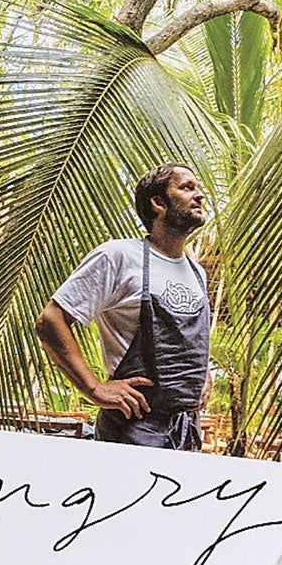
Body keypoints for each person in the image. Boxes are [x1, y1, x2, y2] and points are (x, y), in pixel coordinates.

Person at [36, 162, 211, 450]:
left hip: (186, 432)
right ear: (158, 203)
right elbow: (50, 320)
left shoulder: (196, 272)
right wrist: (95, 389)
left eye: (197, 188)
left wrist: (203, 375)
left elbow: (190, 338)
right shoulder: (118, 257)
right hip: (133, 430)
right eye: (186, 187)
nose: (199, 194)